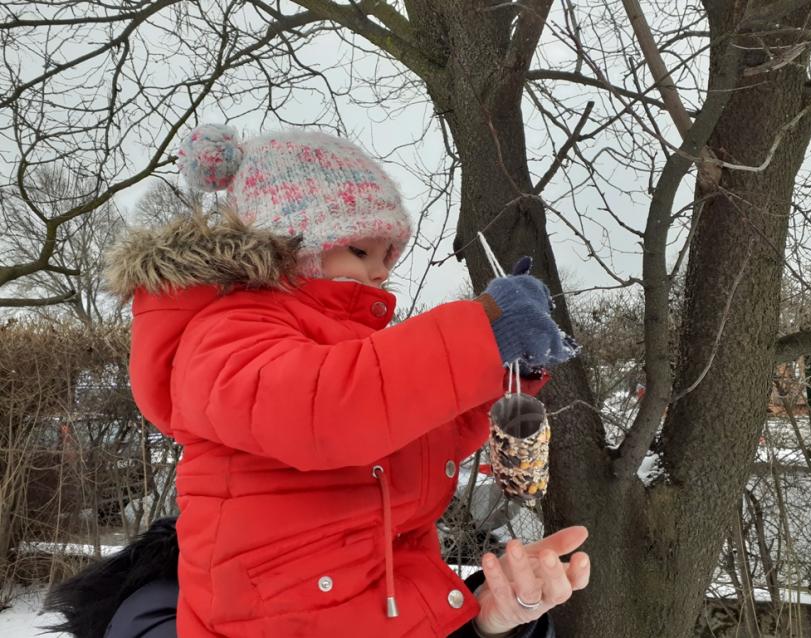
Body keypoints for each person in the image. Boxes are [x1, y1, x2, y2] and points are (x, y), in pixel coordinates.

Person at [90, 124, 588, 637]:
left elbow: (419, 433)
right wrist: (482, 334)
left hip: (371, 609)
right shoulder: (226, 330)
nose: (381, 272)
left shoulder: (356, 356)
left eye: (387, 256)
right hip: (274, 621)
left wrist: (502, 371)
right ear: (294, 244)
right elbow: (325, 409)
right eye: (360, 251)